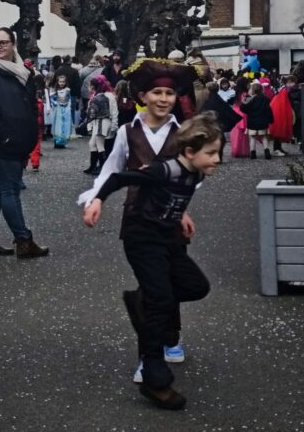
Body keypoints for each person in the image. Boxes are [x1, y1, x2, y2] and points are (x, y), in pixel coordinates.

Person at [81, 114, 219, 411]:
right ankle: (155, 380)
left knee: (196, 286)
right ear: (190, 153)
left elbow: (171, 196)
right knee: (161, 301)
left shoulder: (194, 171)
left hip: (168, 236)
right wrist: (97, 200)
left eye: (218, 152)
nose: (217, 159)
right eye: (211, 153)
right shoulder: (163, 170)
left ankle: (143, 300)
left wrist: (180, 213)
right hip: (142, 238)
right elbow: (119, 178)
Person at [78, 58, 199, 382]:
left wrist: (184, 209)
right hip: (138, 220)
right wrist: (95, 199)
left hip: (171, 221)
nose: (163, 98)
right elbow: (112, 169)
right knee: (155, 285)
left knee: (171, 281)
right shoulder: (126, 132)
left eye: (169, 93)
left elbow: (190, 177)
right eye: (156, 92)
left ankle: (171, 334)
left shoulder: (183, 133)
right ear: (142, 96)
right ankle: (151, 355)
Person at [0, 27, 48, 258]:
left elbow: (29, 104)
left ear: (13, 44)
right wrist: (4, 134)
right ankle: (24, 240)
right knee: (9, 190)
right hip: (0, 142)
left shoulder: (21, 72)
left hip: (16, 140)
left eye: (3, 42)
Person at [83, 75, 118, 175]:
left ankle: (102, 167)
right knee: (93, 144)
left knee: (101, 145)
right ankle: (94, 166)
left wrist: (114, 126)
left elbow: (113, 112)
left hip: (105, 122)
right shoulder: (97, 95)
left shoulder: (109, 96)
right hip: (97, 123)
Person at [241, 81, 273, 159]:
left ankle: (253, 153)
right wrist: (270, 119)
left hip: (252, 121)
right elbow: (268, 110)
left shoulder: (249, 98)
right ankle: (266, 151)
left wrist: (248, 110)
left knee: (253, 137)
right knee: (264, 137)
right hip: (263, 120)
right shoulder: (265, 99)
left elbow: (242, 107)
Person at [49, 73, 73, 148]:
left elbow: (69, 99)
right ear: (58, 82)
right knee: (57, 124)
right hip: (58, 109)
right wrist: (56, 103)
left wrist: (69, 106)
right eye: (60, 82)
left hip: (65, 109)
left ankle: (63, 141)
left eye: (63, 82)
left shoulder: (68, 90)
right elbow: (52, 99)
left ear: (65, 82)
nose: (61, 83)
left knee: (65, 125)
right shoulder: (55, 90)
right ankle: (57, 141)